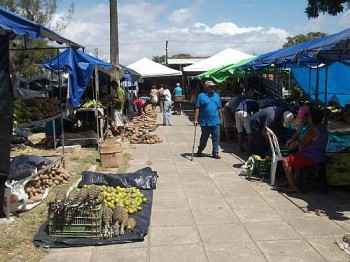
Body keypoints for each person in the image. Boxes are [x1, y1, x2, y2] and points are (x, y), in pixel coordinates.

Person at [279, 107, 329, 193]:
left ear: (313, 118)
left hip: (311, 157)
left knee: (286, 161)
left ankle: (292, 186)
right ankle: (291, 180)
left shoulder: (313, 130)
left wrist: (295, 143)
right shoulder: (323, 128)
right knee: (292, 157)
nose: (308, 118)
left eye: (309, 116)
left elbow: (302, 144)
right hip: (320, 155)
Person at [194, 80, 223, 159]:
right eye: (211, 87)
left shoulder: (216, 95)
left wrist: (221, 118)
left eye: (213, 86)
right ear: (206, 88)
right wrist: (195, 119)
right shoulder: (201, 96)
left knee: (216, 137)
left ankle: (215, 152)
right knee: (204, 137)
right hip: (205, 121)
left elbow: (219, 108)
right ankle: (200, 149)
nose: (213, 88)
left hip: (215, 120)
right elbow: (197, 108)